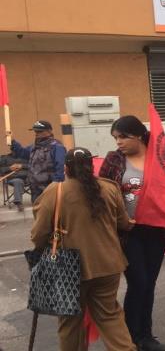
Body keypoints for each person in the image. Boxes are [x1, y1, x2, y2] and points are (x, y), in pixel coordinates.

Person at [31, 147, 136, 351]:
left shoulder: (55, 192)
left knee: (70, 323)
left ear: (66, 168)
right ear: (91, 166)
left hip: (68, 269)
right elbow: (123, 223)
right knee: (110, 316)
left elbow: (38, 235)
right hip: (108, 264)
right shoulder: (109, 188)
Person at [99, 116, 165, 351]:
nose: (118, 142)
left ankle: (146, 335)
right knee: (138, 282)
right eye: (115, 138)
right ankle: (129, 337)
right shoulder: (114, 160)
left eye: (122, 137)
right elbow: (103, 195)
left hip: (157, 229)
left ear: (138, 135)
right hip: (128, 233)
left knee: (149, 283)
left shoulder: (159, 157)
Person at [11, 120, 66, 203]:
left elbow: (60, 166)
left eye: (39, 131)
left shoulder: (57, 146)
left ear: (49, 131)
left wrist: (56, 184)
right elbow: (22, 153)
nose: (36, 133)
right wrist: (12, 141)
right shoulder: (34, 147)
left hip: (50, 187)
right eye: (35, 131)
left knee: (51, 214)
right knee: (37, 213)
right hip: (35, 189)